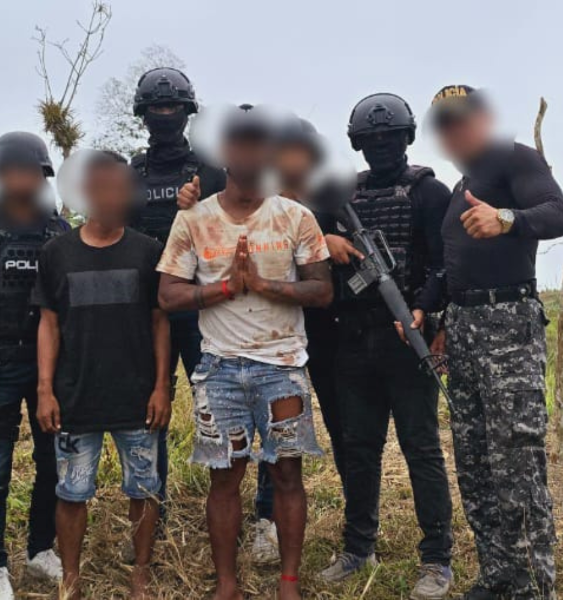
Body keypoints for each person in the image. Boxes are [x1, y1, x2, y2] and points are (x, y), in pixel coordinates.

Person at [158, 104, 332, 600]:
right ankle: (227, 584)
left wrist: (265, 285)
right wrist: (223, 289)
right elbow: (168, 295)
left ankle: (288, 582)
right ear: (225, 153)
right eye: (240, 143)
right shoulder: (194, 220)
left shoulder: (295, 217)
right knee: (224, 478)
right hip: (219, 369)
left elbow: (322, 290)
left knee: (287, 473)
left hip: (283, 367)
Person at [429, 84, 563, 600]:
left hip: (508, 326)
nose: (454, 132)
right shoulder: (462, 184)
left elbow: (557, 210)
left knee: (517, 466)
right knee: (477, 464)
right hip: (463, 330)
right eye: (445, 124)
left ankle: (531, 587)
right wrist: (431, 312)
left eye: (462, 120)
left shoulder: (515, 158)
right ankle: (497, 576)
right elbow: (455, 265)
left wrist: (507, 219)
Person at [319, 93, 454, 599]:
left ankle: (437, 558)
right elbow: (295, 229)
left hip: (406, 337)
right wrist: (325, 240)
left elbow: (444, 264)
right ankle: (358, 547)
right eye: (371, 139)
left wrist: (424, 311)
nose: (381, 146)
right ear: (357, 144)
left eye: (390, 138)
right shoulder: (339, 196)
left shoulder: (429, 192)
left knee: (421, 449)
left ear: (407, 139)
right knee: (359, 449)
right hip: (354, 339)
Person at [34, 150, 170, 600]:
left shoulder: (147, 251)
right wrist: (45, 389)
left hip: (136, 396)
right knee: (72, 492)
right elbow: (49, 324)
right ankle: (71, 577)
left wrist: (161, 387)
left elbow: (159, 322)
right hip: (76, 397)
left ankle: (141, 571)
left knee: (143, 489)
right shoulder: (57, 253)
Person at [0, 132, 68, 600]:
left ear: (42, 176)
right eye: (12, 171)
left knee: (52, 462)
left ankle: (40, 549)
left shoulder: (57, 231)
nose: (21, 179)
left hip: (50, 363)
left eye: (30, 171)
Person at [131, 67, 226, 524]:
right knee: (149, 412)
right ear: (143, 114)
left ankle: (223, 511)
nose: (164, 114)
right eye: (156, 107)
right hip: (146, 310)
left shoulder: (211, 171)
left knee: (215, 407)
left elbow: (233, 234)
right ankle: (153, 516)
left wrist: (199, 211)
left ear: (187, 113)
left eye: (171, 107)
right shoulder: (130, 174)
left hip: (199, 308)